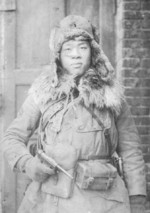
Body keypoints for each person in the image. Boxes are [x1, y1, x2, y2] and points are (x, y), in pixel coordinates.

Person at [1, 15, 146, 213]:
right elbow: (12, 137)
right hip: (50, 200)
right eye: (68, 48)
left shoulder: (112, 95)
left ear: (93, 52)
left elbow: (131, 151)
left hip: (103, 200)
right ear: (58, 55)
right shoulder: (43, 93)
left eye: (83, 47)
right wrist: (27, 163)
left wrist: (137, 199)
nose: (75, 54)